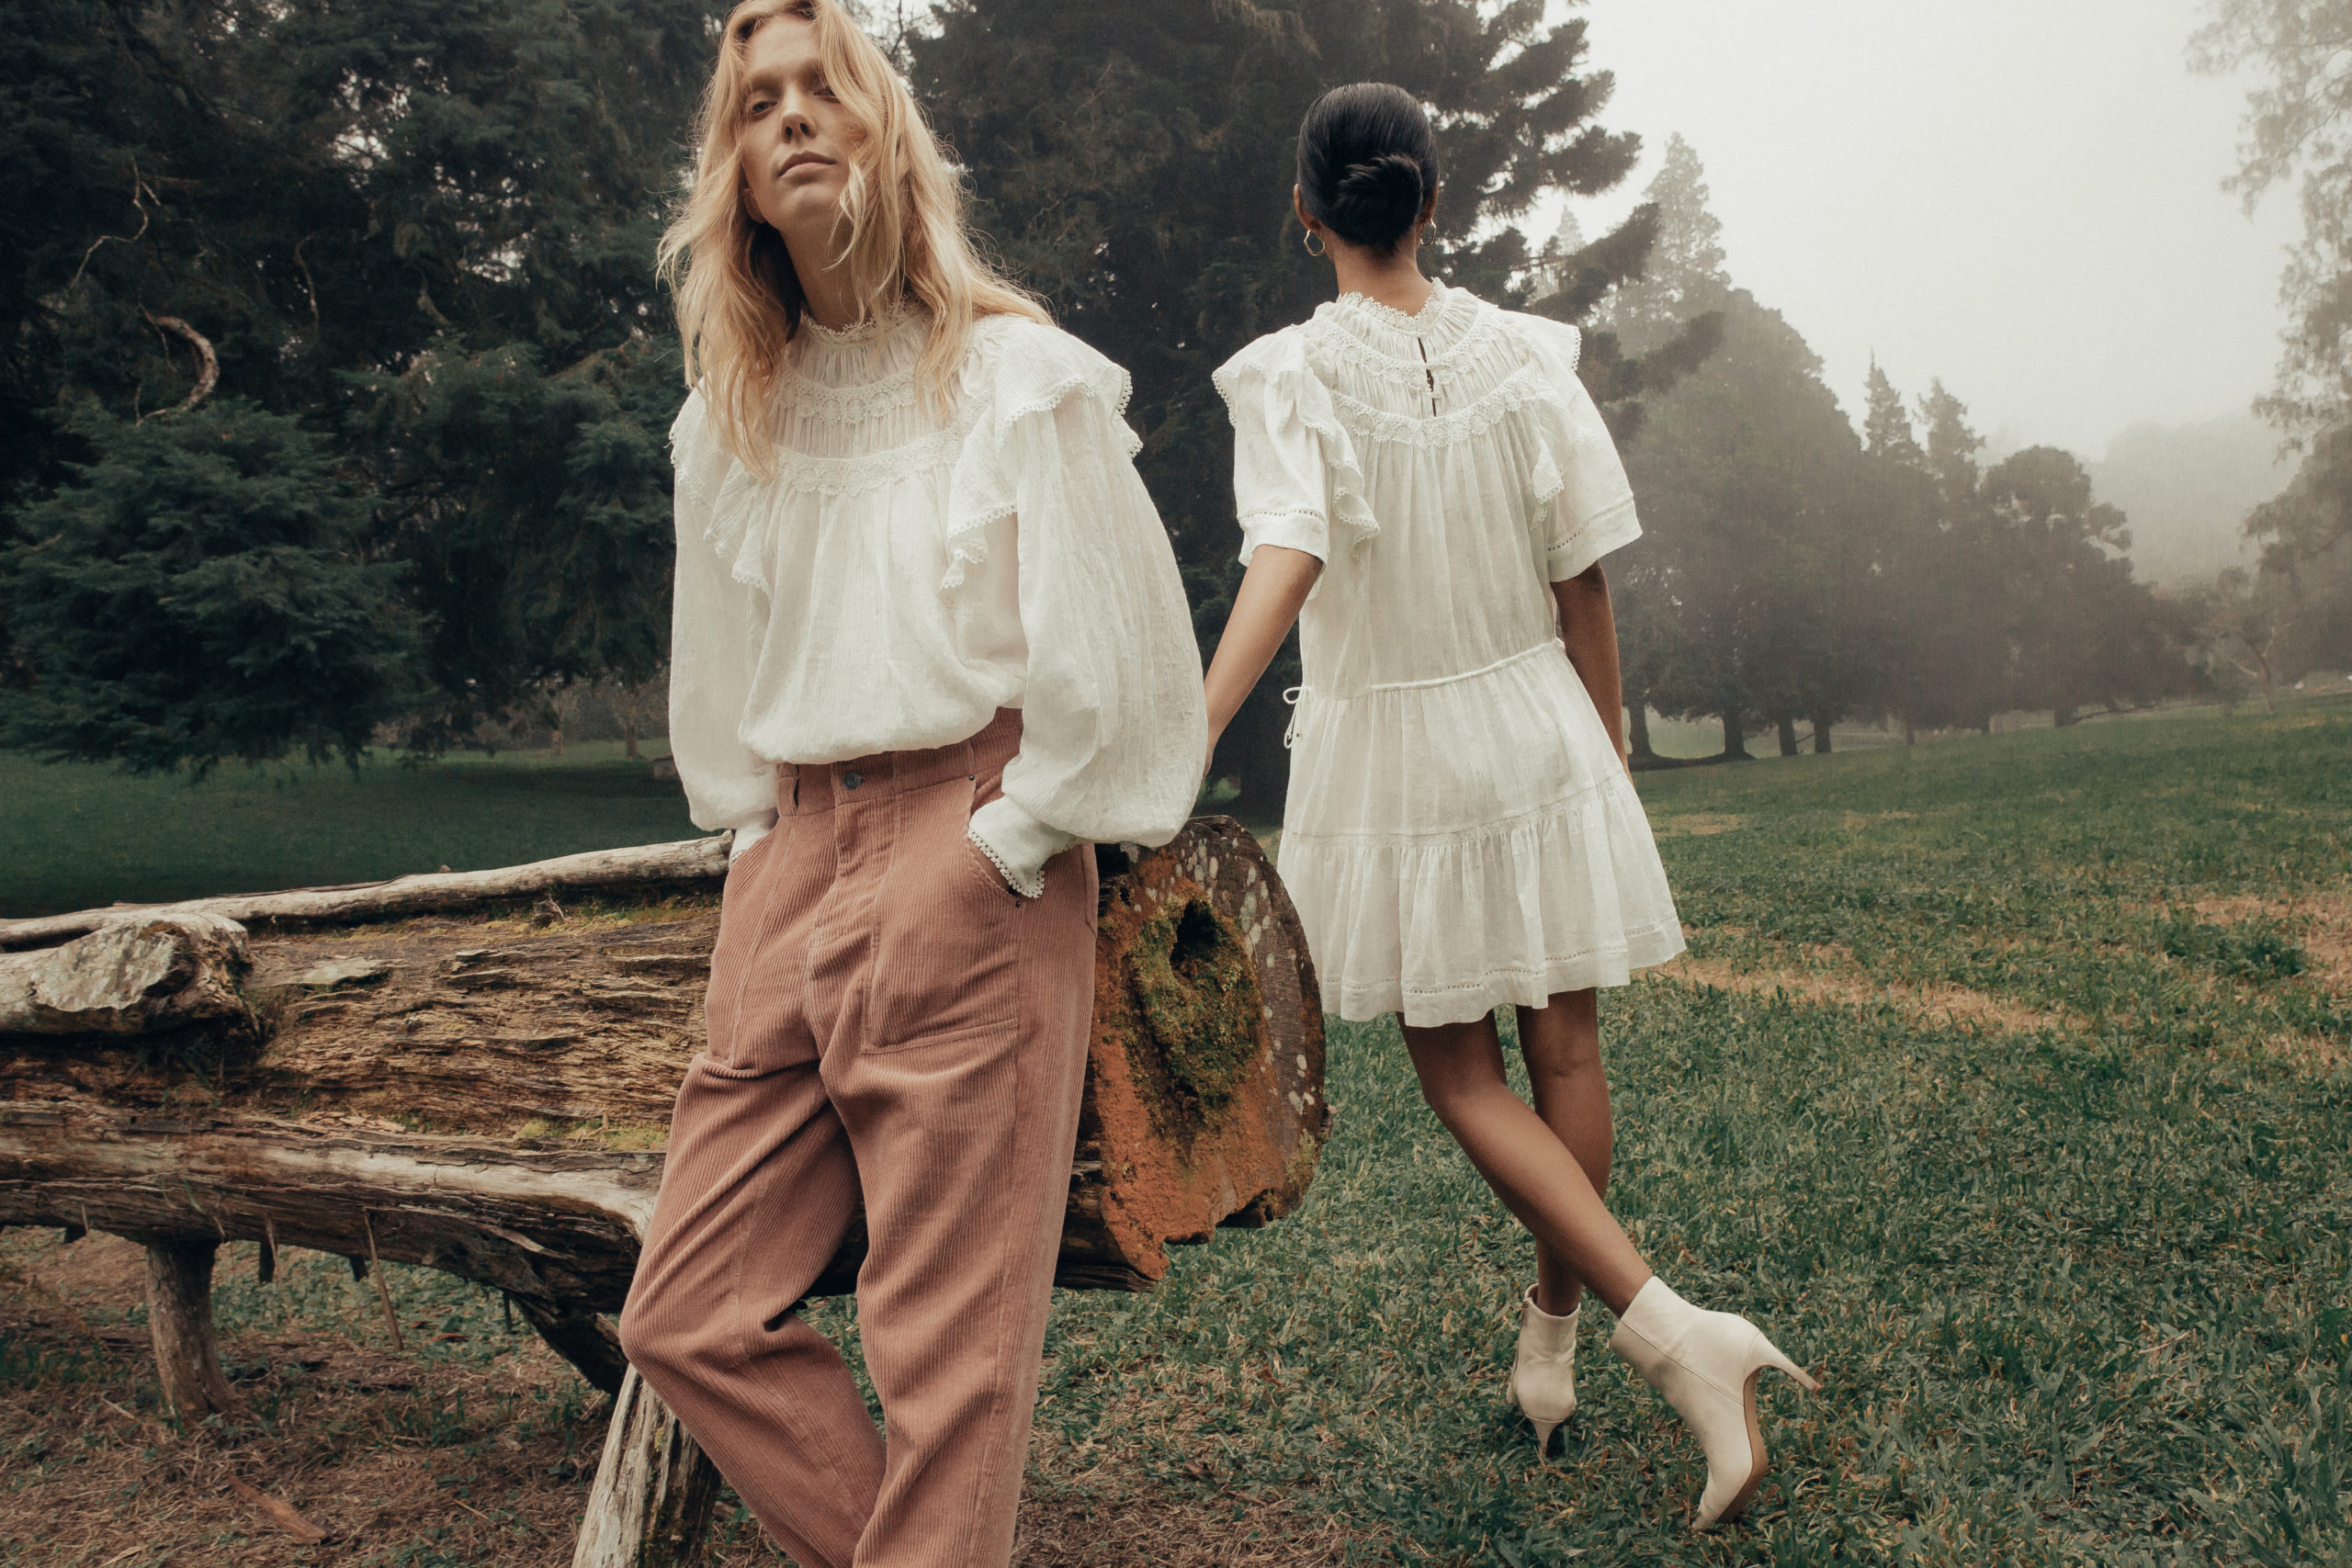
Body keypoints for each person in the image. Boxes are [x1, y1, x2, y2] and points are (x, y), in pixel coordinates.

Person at [613, 5, 1205, 1565]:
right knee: (686, 1310)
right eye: (759, 103)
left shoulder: (1014, 377)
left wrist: (1005, 843)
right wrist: (756, 849)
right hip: (794, 856)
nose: (794, 117)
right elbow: (720, 674)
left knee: (946, 1361)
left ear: (886, 129)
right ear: (736, 172)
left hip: (975, 838)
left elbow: (1135, 664)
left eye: (826, 88)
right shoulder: (728, 420)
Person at [1201, 83, 1819, 1531]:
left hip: (1405, 755)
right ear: (1434, 201)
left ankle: (1668, 1335)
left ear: (1306, 213)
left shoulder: (1291, 376)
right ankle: (1549, 1340)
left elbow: (1289, 552)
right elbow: (1583, 574)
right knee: (1566, 1051)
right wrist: (1602, 754)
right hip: (1540, 723)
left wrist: (1192, 728)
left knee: (1465, 1080)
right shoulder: (1532, 358)